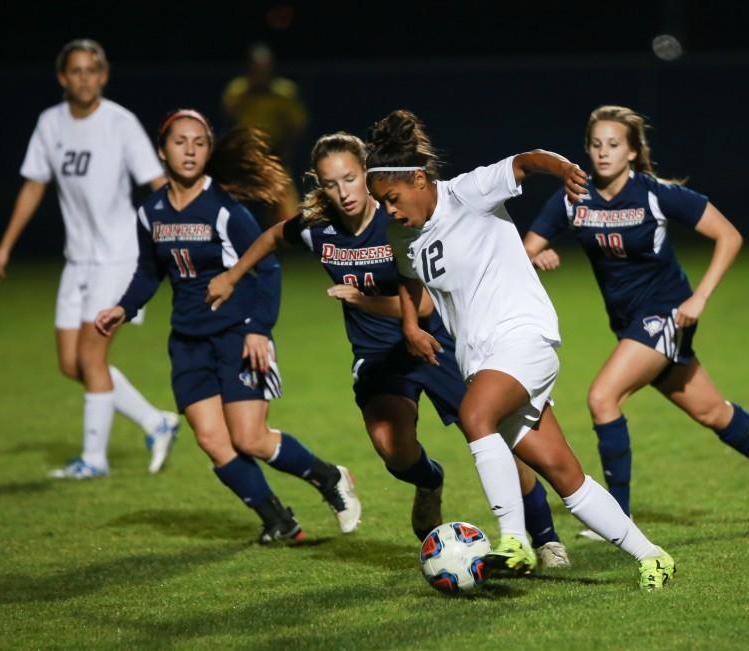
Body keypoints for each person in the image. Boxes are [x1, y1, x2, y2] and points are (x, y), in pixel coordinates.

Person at [205, 132, 570, 567]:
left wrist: (364, 302)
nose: (343, 192)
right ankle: (430, 481)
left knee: (504, 439)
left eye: (350, 178)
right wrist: (232, 277)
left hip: (437, 345)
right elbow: (270, 238)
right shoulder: (317, 230)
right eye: (331, 183)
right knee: (394, 454)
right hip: (378, 359)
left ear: (367, 175)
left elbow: (428, 300)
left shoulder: (400, 221)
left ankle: (545, 537)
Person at [367, 110, 675, 590]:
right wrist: (410, 325)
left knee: (475, 417)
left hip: (524, 336)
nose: (387, 209)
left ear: (420, 180)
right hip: (482, 359)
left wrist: (564, 170)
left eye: (391, 198)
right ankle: (652, 555)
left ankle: (513, 540)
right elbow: (409, 279)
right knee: (564, 475)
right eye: (380, 202)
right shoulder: (401, 233)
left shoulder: (468, 193)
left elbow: (527, 162)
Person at [523, 105, 749, 528]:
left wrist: (699, 298)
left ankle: (615, 519)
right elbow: (524, 249)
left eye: (613, 144)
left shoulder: (654, 194)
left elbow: (729, 236)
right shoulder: (573, 196)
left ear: (631, 152)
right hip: (629, 325)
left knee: (602, 397)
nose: (603, 152)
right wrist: (538, 255)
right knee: (713, 413)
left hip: (666, 315)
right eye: (595, 144)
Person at [94, 109, 361, 543]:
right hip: (187, 342)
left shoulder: (223, 210)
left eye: (199, 142)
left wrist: (259, 329)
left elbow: (268, 268)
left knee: (250, 438)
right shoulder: (151, 212)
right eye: (180, 142)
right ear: (162, 150)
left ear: (209, 151)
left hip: (238, 335)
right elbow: (148, 272)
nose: (190, 150)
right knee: (214, 442)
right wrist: (122, 308)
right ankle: (280, 521)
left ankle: (329, 477)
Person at [0, 39, 178, 479]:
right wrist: (5, 246)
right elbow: (34, 184)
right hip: (78, 261)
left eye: (93, 70)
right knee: (71, 364)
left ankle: (93, 460)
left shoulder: (120, 123)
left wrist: (177, 232)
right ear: (62, 78)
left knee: (92, 359)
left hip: (118, 257)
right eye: (76, 70)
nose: (85, 78)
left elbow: (156, 181)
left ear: (104, 76)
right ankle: (156, 421)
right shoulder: (50, 123)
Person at [222, 42, 307, 221]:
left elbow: (297, 126)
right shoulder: (237, 90)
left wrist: (285, 153)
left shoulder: (285, 92)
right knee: (231, 209)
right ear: (249, 67)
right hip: (243, 157)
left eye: (265, 67)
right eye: (257, 67)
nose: (261, 72)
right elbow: (229, 122)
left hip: (275, 156)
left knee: (290, 217)